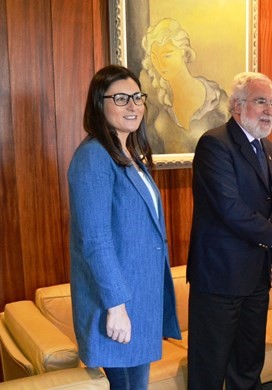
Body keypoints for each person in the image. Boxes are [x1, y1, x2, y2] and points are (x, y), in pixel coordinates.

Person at [67, 64, 181, 389]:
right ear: (98, 104)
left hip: (140, 300)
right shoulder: (94, 157)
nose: (132, 106)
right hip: (117, 305)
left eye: (137, 97)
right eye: (120, 98)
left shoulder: (130, 155)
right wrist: (117, 307)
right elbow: (95, 240)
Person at [187, 72, 272, 390]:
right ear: (236, 105)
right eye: (261, 101)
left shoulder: (267, 147)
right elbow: (229, 207)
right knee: (210, 365)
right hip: (219, 278)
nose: (269, 110)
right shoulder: (214, 144)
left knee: (248, 363)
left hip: (256, 277)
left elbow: (270, 207)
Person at [141, 18, 229, 153]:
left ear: (183, 52)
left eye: (167, 56)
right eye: (154, 57)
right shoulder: (157, 108)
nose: (160, 64)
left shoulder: (216, 99)